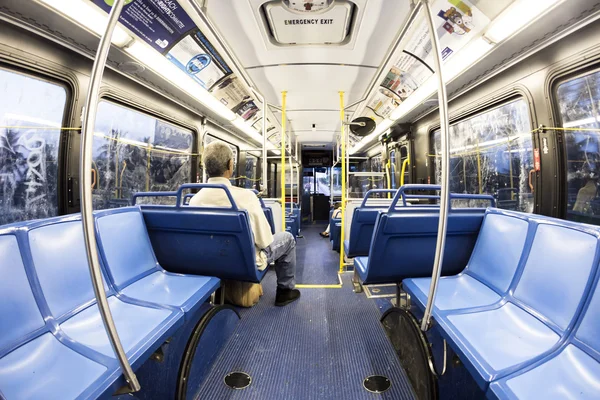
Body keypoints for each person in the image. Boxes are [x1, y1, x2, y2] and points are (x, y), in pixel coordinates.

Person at [190, 142, 300, 306]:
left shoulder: (194, 200)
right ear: (230, 165)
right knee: (288, 239)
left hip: (207, 261)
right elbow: (265, 240)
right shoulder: (245, 197)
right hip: (244, 262)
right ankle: (285, 291)